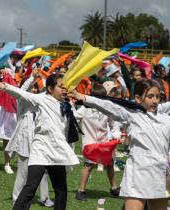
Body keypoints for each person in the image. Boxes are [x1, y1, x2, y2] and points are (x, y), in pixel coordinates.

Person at [69, 79, 170, 210]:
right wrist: (85, 98)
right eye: (150, 96)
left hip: (159, 175)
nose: (155, 101)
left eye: (158, 97)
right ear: (138, 98)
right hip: (138, 175)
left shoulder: (165, 118)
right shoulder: (132, 115)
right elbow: (109, 105)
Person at [0, 74, 79, 210]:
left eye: (65, 87)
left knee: (61, 190)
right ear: (50, 89)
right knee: (30, 187)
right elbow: (21, 93)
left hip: (57, 151)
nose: (64, 90)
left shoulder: (65, 105)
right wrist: (3, 86)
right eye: (60, 87)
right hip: (41, 150)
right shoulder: (42, 99)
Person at [6, 72, 54, 207]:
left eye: (35, 88)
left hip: (40, 143)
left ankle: (44, 197)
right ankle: (17, 198)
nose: (33, 90)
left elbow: (48, 92)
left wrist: (44, 77)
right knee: (23, 172)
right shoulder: (22, 103)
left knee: (43, 171)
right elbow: (21, 92)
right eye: (31, 88)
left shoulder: (41, 103)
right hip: (25, 144)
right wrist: (32, 78)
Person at [74, 83, 120, 201]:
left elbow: (113, 124)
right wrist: (70, 107)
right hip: (90, 143)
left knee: (110, 164)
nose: (100, 100)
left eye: (103, 98)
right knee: (89, 166)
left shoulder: (106, 109)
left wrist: (116, 136)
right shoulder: (84, 109)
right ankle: (81, 190)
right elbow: (73, 116)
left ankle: (114, 188)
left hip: (103, 142)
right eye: (98, 98)